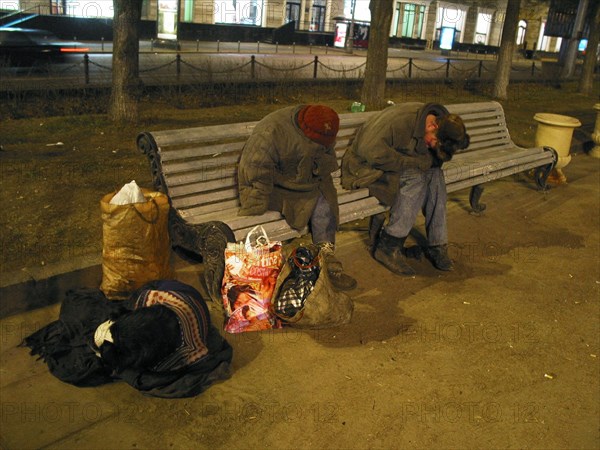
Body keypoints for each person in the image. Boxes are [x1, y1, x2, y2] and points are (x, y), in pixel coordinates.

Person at [341, 102, 470, 276]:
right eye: (434, 142)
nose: (432, 147)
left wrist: (427, 160)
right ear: (433, 126)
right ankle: (389, 245)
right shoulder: (400, 122)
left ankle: (437, 244)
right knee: (416, 178)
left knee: (435, 176)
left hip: (391, 163)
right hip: (364, 166)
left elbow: (429, 159)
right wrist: (414, 163)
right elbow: (370, 152)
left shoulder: (433, 123)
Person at [238, 104, 356, 291]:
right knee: (315, 202)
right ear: (304, 129)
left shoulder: (324, 127)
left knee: (326, 201)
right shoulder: (272, 130)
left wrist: (320, 166)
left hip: (308, 181)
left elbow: (327, 157)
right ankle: (285, 273)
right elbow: (255, 168)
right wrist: (254, 206)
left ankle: (325, 262)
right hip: (280, 185)